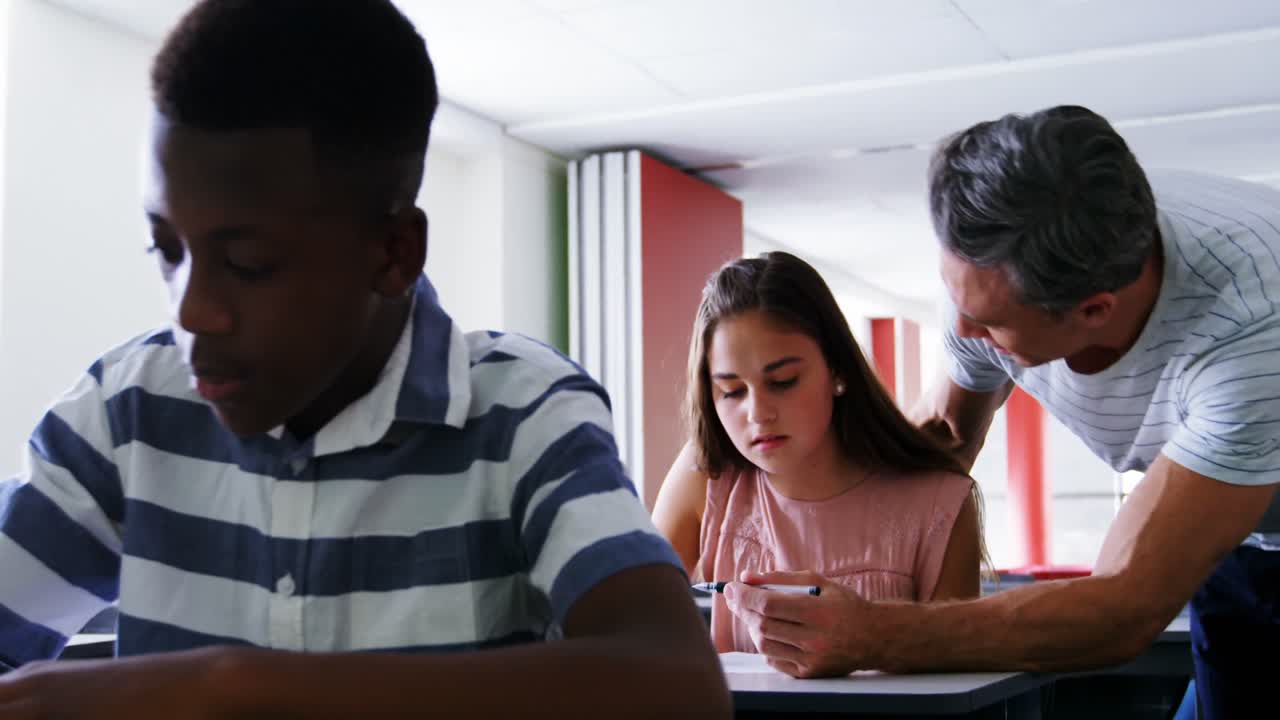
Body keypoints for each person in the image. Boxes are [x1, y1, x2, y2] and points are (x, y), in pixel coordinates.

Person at [0, 1, 730, 717]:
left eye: (248, 262)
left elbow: (676, 682)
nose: (191, 312)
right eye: (168, 250)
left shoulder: (520, 413)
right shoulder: (127, 409)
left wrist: (236, 688)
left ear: (392, 252)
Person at [720, 105, 1280, 720]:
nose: (959, 329)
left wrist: (871, 635)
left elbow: (1122, 610)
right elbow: (944, 443)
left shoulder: (1252, 331)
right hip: (1243, 541)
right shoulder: (1007, 255)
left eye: (988, 323)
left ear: (1093, 311)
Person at [653, 251, 985, 656]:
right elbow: (635, 625)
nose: (757, 413)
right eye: (732, 391)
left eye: (783, 381)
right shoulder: (706, 475)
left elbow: (957, 683)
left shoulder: (940, 504)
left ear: (838, 371)